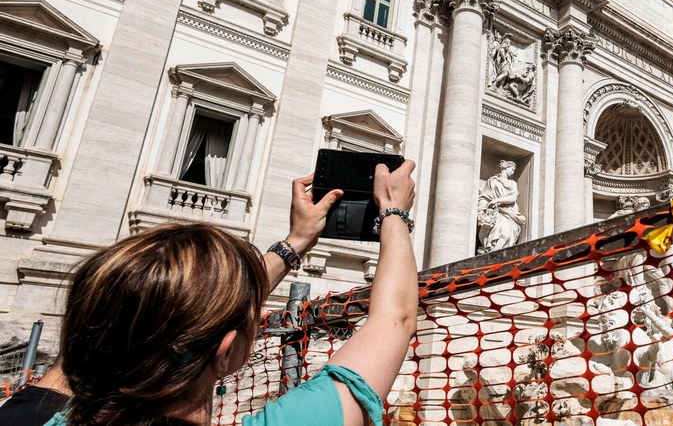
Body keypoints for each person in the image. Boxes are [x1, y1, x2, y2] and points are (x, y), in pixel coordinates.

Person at [40, 161, 417, 426]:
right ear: (225, 352)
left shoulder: (41, 410)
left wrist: (295, 242)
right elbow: (394, 319)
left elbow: (112, 317)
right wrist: (393, 212)